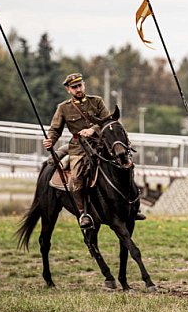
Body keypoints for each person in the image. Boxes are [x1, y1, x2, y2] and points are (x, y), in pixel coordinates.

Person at [43, 72, 145, 228]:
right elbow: (55, 129)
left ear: (83, 85)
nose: (78, 89)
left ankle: (133, 206)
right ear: (68, 90)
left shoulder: (96, 101)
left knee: (125, 164)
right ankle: (84, 213)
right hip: (79, 147)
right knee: (77, 175)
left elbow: (108, 120)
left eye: (79, 85)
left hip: (100, 144)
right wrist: (50, 140)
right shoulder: (63, 108)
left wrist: (93, 129)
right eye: (74, 87)